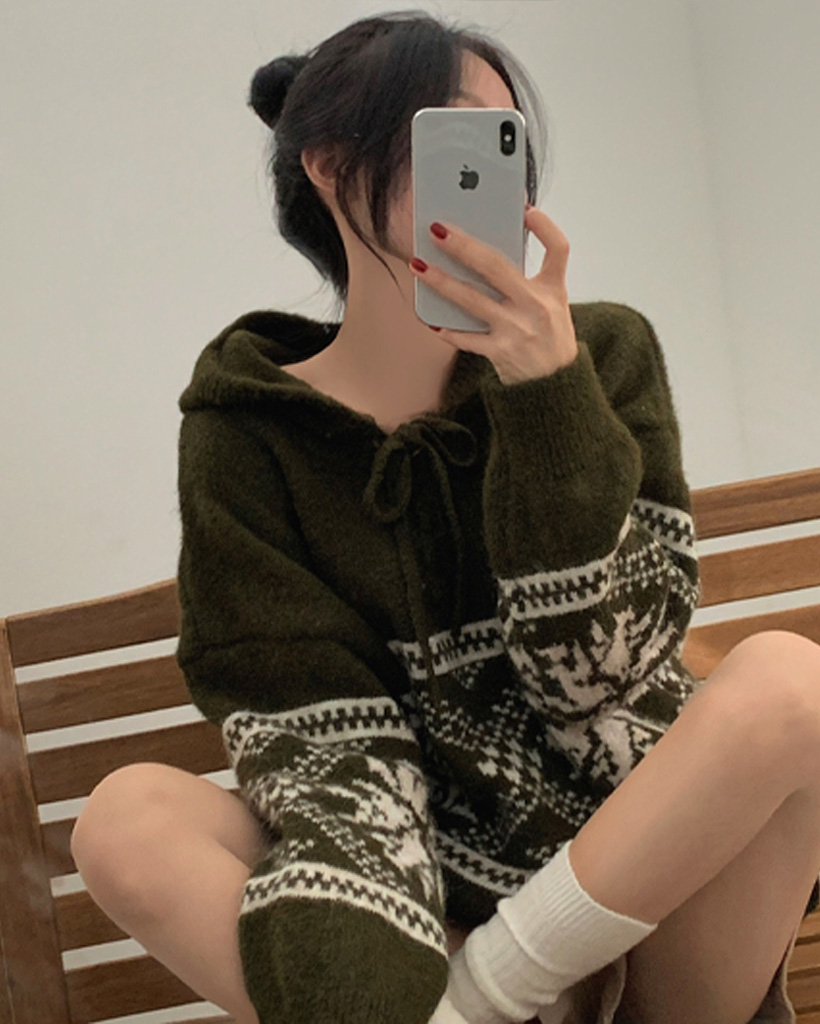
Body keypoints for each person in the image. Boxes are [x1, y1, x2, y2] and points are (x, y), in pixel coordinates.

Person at [70, 10, 820, 1024]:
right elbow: (309, 725)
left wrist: (548, 400)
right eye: (456, 136)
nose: (491, 177)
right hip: (418, 889)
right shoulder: (246, 431)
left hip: (644, 874)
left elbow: (604, 684)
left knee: (790, 682)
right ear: (332, 166)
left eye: (505, 143)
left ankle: (483, 1004)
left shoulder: (602, 355)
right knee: (124, 817)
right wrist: (390, 952)